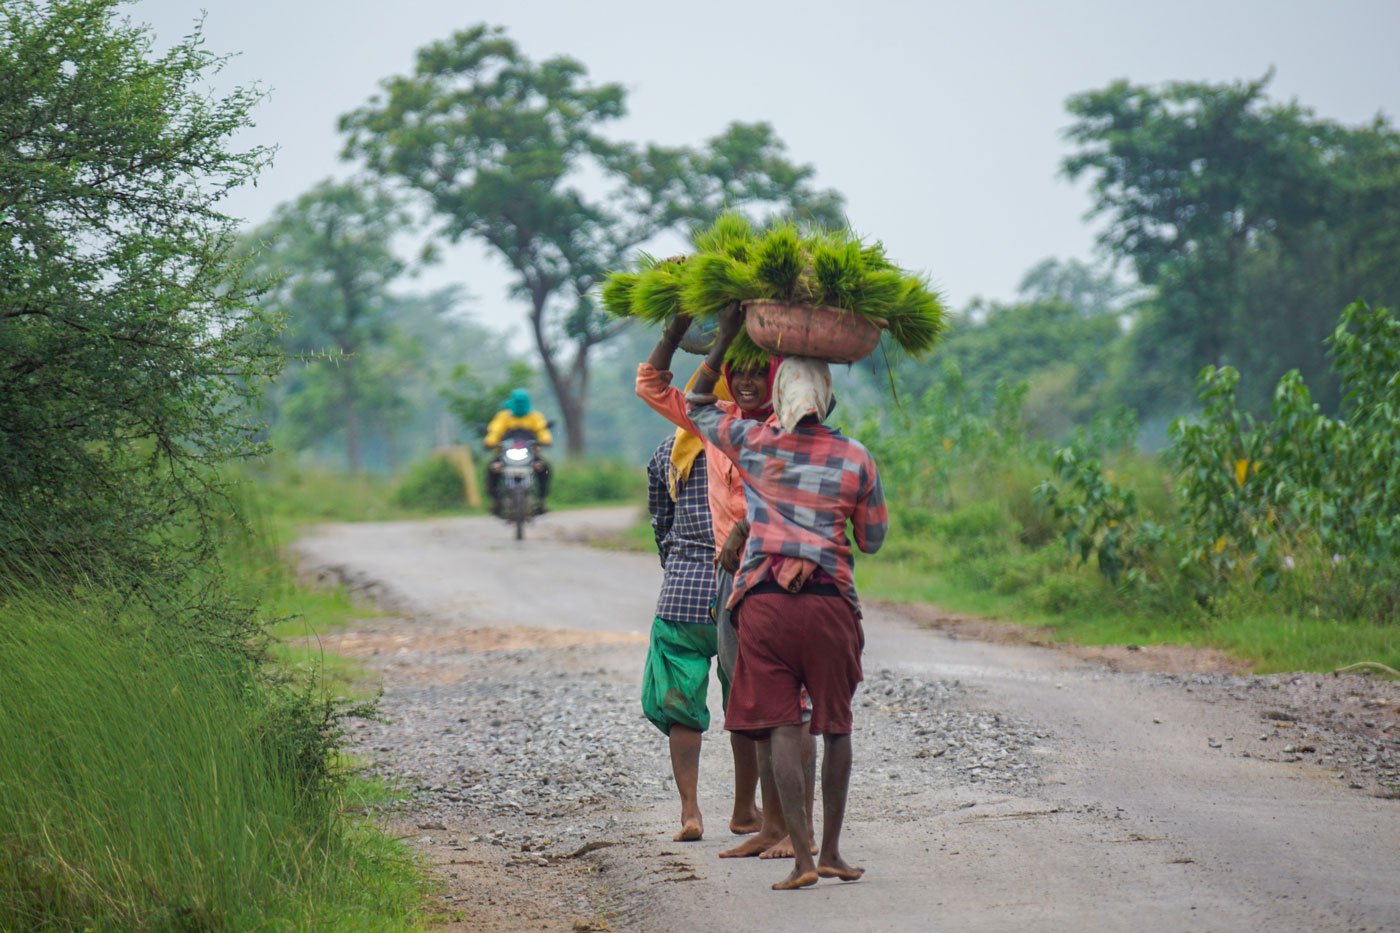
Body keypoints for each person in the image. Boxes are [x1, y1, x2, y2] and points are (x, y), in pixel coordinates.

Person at [685, 305, 887, 891]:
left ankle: (799, 859)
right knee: (836, 726)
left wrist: (723, 339)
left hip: (765, 606)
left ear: (776, 397)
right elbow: (871, 541)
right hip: (828, 605)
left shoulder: (754, 441)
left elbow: (697, 407)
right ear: (825, 400)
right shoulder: (856, 457)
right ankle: (832, 852)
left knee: (780, 725)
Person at [636, 319, 816, 859]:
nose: (742, 382)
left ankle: (745, 819)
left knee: (753, 700)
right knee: (751, 699)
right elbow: (654, 386)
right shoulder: (731, 426)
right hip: (737, 579)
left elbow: (659, 523)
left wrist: (688, 335)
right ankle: (756, 815)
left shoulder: (765, 429)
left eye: (753, 372)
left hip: (745, 579)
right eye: (734, 372)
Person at [641, 429, 725, 841]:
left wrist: (677, 562)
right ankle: (747, 808)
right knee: (751, 703)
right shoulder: (752, 443)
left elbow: (661, 524)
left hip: (682, 595)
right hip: (740, 593)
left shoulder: (668, 451)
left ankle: (690, 810)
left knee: (681, 705)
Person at [483, 389, 552, 516]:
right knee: (492, 470)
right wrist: (490, 442)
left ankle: (541, 501)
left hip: (530, 454)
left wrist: (545, 440)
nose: (520, 405)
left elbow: (542, 431)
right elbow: (495, 431)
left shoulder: (534, 417)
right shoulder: (504, 417)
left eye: (522, 402)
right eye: (518, 402)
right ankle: (496, 502)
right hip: (505, 454)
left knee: (545, 469)